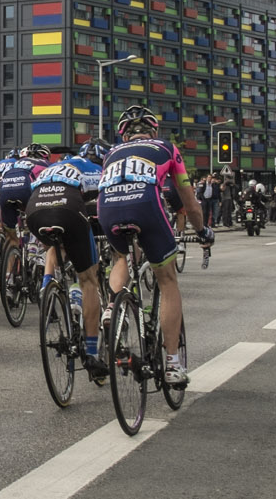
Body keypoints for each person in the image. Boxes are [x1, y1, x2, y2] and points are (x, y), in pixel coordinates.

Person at [97, 106, 212, 384]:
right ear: (153, 131)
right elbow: (189, 201)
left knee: (121, 257)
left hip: (108, 207)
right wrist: (203, 231)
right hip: (145, 204)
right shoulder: (167, 148)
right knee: (168, 278)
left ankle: (113, 307)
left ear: (124, 136)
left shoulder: (111, 153)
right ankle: (172, 364)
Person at [25, 141, 109, 379]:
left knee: (56, 242)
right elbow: (104, 207)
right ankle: (92, 353)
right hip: (68, 208)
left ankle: (48, 287)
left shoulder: (55, 166)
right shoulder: (96, 169)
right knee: (89, 279)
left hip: (35, 210)